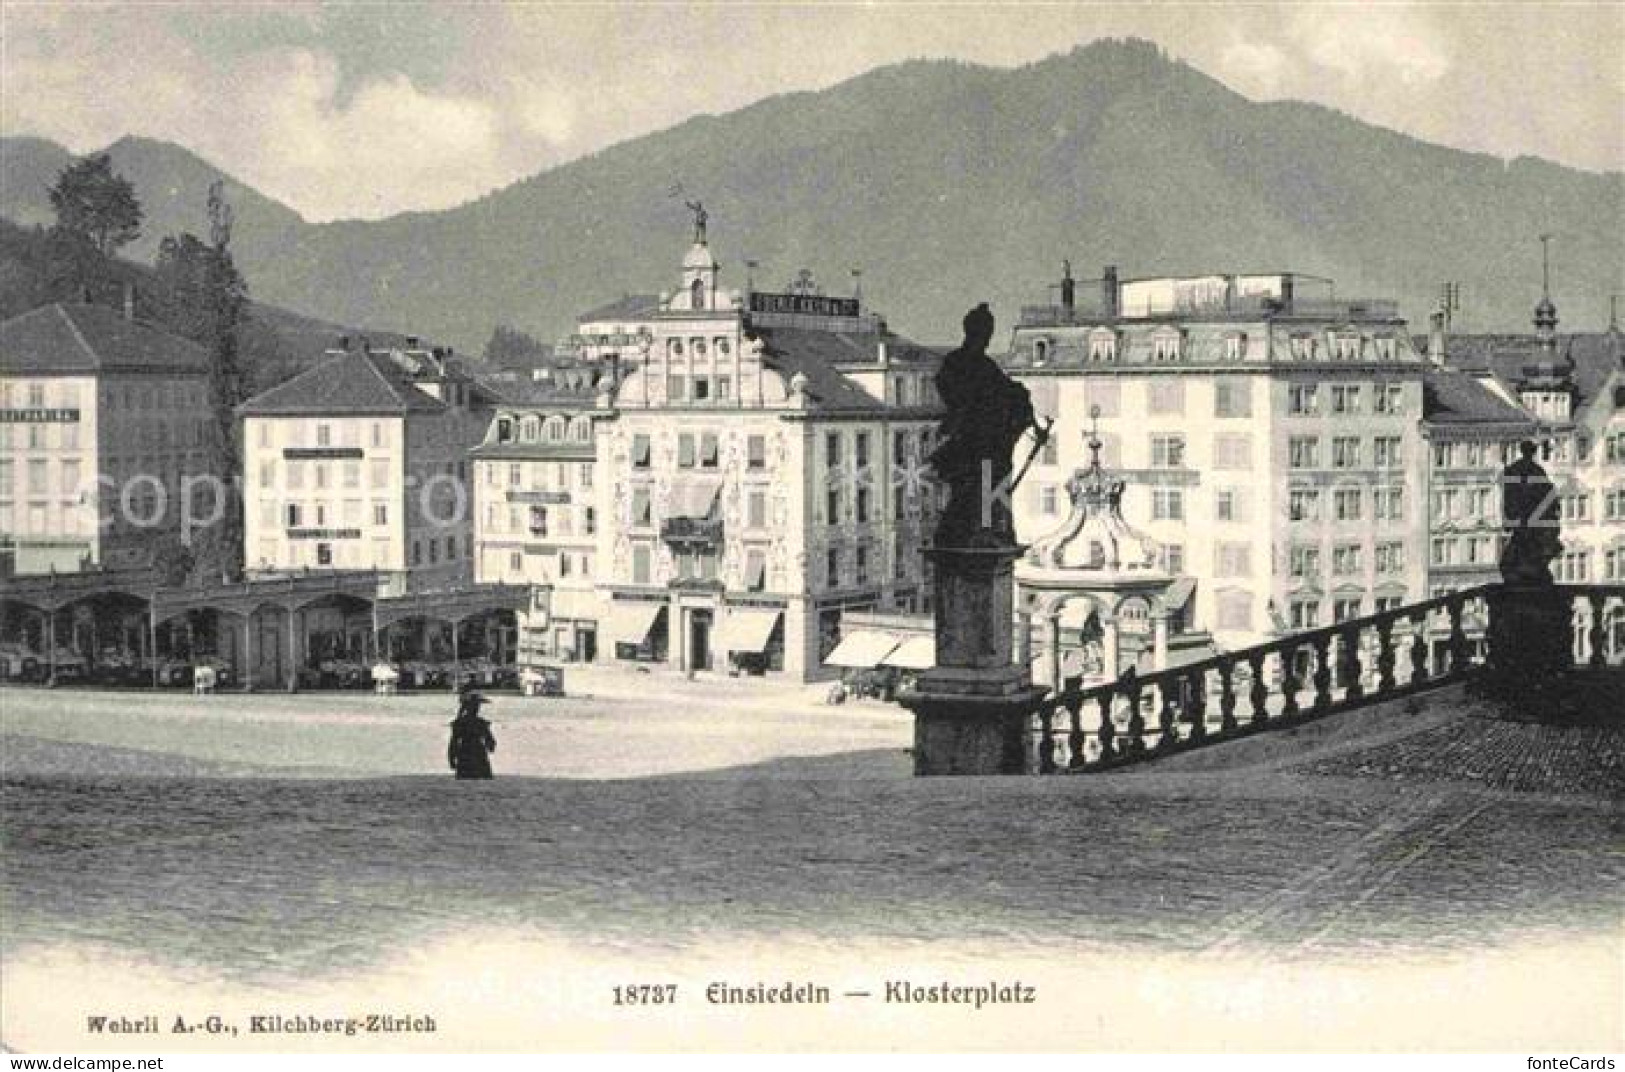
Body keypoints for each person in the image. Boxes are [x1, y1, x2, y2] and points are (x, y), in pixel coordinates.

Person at [928, 303, 1041, 546]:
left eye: (988, 334)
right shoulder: (958, 362)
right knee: (974, 486)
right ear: (973, 332)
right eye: (984, 333)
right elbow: (949, 389)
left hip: (987, 440)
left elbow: (1010, 390)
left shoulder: (985, 365)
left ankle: (989, 527)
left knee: (991, 481)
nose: (987, 339)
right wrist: (971, 404)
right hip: (969, 439)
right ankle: (979, 529)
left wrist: (1022, 401)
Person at [448, 691, 497, 779]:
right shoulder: (480, 723)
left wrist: (452, 759)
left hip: (466, 754)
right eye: (476, 706)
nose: (477, 708)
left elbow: (453, 743)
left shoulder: (460, 722)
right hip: (476, 753)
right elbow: (490, 740)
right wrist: (490, 746)